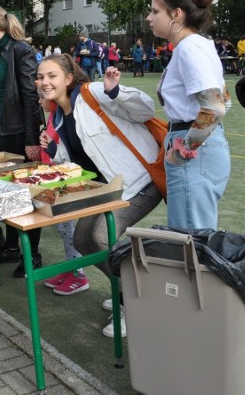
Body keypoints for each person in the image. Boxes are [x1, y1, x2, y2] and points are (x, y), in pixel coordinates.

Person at [38, 57, 164, 336]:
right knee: (83, 240)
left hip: (137, 182)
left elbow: (144, 109)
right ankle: (125, 288)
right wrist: (55, 147)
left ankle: (133, 302)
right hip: (105, 190)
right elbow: (75, 163)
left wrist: (115, 91)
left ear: (69, 78)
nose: (45, 82)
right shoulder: (57, 116)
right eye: (41, 77)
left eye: (52, 76)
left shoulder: (92, 92)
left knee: (99, 238)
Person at [146, 0, 230, 231]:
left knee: (190, 244)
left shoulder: (189, 49)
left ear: (176, 14)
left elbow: (215, 108)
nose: (149, 18)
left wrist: (183, 150)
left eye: (155, 11)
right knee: (194, 242)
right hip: (202, 148)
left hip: (193, 151)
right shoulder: (199, 46)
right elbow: (224, 99)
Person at [0, 5, 43, 278]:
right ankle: (11, 245)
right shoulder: (0, 51)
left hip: (18, 132)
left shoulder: (20, 50)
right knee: (6, 190)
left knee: (24, 193)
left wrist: (31, 139)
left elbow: (30, 96)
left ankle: (33, 254)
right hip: (2, 130)